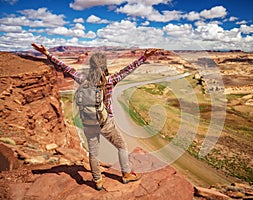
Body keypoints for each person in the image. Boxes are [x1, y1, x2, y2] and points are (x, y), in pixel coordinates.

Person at [31, 43, 159, 190]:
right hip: (106, 123)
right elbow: (128, 70)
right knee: (122, 146)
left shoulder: (82, 80)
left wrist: (47, 54)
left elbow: (64, 67)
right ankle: (126, 174)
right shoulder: (110, 81)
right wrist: (144, 57)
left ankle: (97, 181)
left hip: (89, 123)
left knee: (93, 152)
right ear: (105, 66)